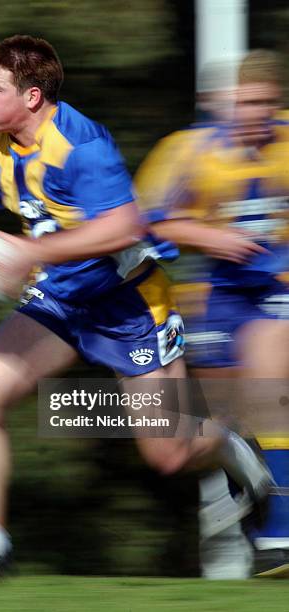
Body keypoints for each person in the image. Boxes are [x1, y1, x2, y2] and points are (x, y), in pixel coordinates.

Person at [0, 36, 272, 585]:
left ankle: (230, 443)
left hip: (130, 306)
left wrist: (30, 252)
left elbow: (124, 227)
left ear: (33, 95)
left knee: (169, 455)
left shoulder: (81, 145)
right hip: (60, 302)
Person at [134, 49, 289, 578]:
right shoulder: (189, 151)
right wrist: (210, 235)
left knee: (272, 385)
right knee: (218, 428)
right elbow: (146, 221)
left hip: (277, 291)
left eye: (266, 103)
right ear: (228, 102)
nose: (255, 113)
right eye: (246, 102)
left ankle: (278, 534)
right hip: (218, 295)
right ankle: (254, 510)